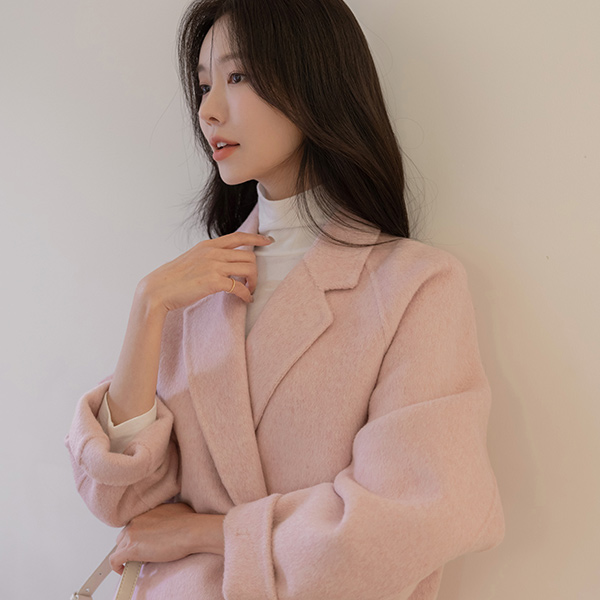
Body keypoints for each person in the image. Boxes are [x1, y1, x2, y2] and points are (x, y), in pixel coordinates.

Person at [65, 0, 505, 598]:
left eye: (238, 76)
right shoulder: (192, 292)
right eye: (204, 84)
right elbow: (123, 502)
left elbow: (413, 519)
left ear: (313, 82)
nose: (208, 110)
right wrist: (147, 308)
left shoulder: (416, 286)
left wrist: (211, 534)